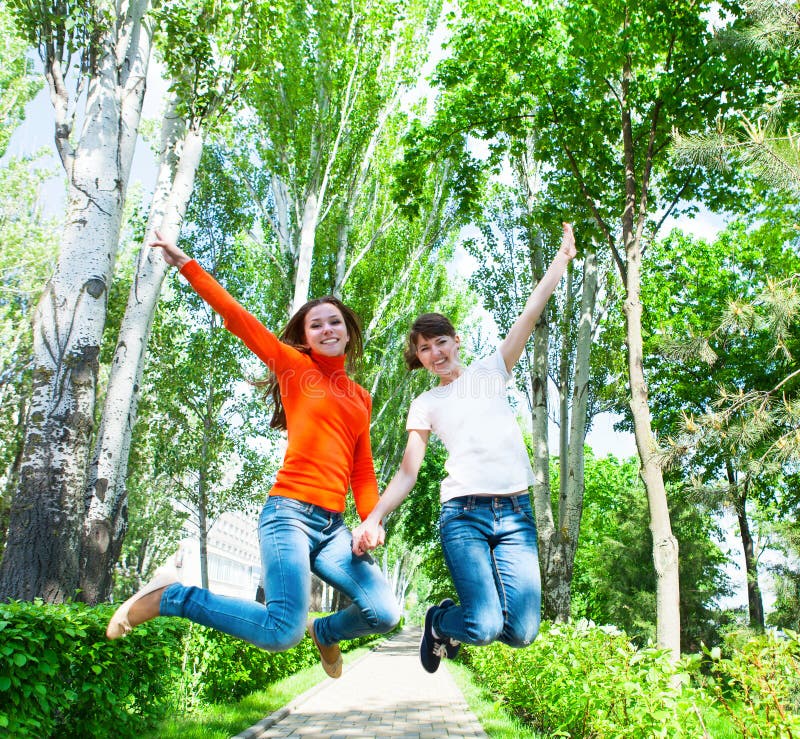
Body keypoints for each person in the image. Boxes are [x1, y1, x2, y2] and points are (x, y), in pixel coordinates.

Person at [107, 232, 400, 678]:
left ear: (348, 331)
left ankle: (326, 633)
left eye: (334, 322)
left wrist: (371, 520)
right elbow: (238, 317)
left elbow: (361, 469)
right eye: (315, 324)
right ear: (305, 336)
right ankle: (172, 597)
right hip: (289, 517)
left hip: (334, 528)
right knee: (282, 632)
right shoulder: (293, 366)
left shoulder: (361, 397)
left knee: (384, 612)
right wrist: (186, 264)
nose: (326, 329)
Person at [352, 223, 576, 673]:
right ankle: (440, 622)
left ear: (456, 341)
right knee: (485, 626)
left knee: (523, 632)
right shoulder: (425, 403)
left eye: (441, 342)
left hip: (515, 513)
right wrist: (373, 517)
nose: (435, 352)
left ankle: (443, 622)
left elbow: (530, 312)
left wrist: (562, 259)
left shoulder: (491, 371)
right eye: (424, 349)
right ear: (418, 359)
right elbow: (407, 473)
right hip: (464, 514)